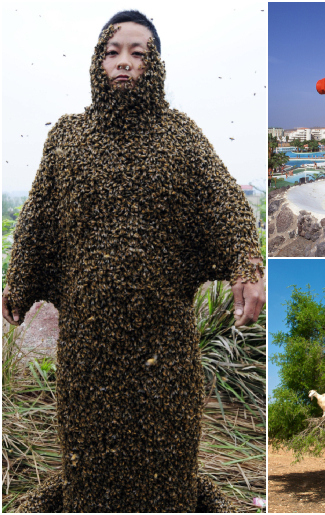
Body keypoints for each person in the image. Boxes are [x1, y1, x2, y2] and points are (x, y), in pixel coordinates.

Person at [2, 11, 264, 512]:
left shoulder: (181, 137)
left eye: (138, 53)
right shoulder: (67, 138)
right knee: (91, 469)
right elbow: (38, 218)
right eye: (112, 52)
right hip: (86, 349)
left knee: (164, 470)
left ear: (156, 66)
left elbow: (225, 204)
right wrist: (20, 280)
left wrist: (247, 268)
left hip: (164, 347)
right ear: (97, 63)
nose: (124, 62)